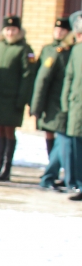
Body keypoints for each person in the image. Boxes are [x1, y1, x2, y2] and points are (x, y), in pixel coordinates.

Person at [0, 16, 36, 181]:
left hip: (12, 99)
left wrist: (22, 99)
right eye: (7, 29)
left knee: (9, 131)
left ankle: (7, 168)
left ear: (19, 31)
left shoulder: (24, 49)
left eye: (13, 30)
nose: (10, 32)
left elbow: (27, 77)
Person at [31, 17, 73, 190]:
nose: (59, 32)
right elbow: (42, 79)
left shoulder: (72, 50)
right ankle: (51, 175)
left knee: (64, 141)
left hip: (67, 104)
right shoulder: (56, 51)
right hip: (56, 104)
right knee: (61, 140)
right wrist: (37, 105)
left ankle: (61, 174)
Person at [56, 13, 82, 199]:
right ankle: (76, 184)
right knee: (75, 148)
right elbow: (69, 77)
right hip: (76, 106)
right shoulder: (76, 50)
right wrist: (65, 102)